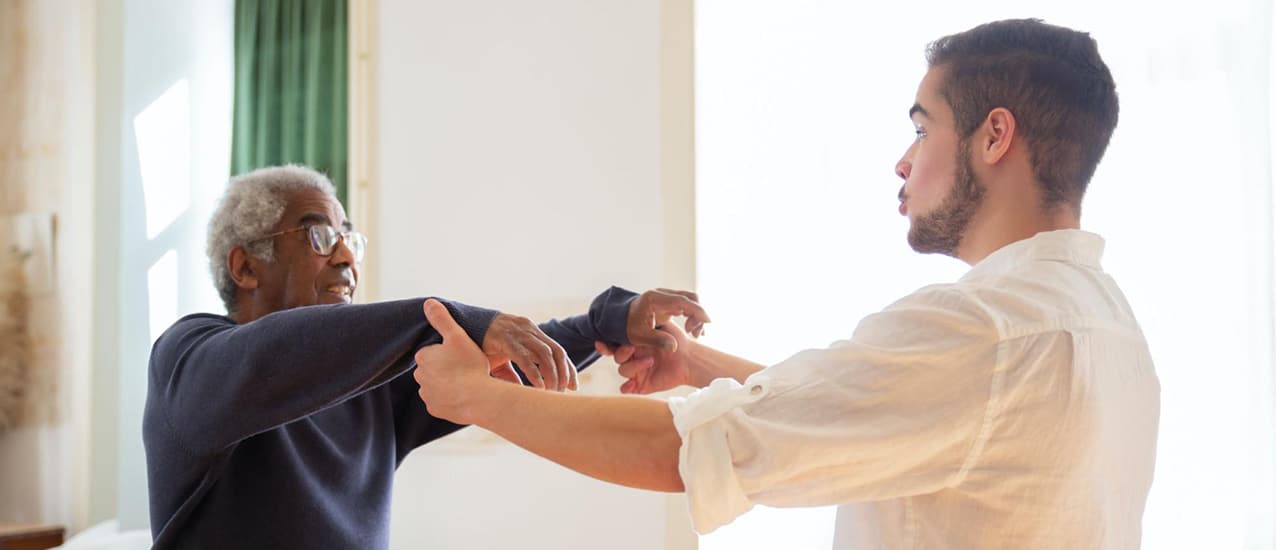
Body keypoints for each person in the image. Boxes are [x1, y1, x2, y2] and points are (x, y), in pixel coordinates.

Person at [412, 19, 1160, 549]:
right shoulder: (1106, 324)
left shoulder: (982, 331)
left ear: (994, 136)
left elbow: (690, 451)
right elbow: (870, 406)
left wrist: (475, 396)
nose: (904, 161)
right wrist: (697, 363)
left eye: (923, 127)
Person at [142, 165, 709, 549]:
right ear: (245, 267)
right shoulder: (189, 358)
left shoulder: (369, 385)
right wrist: (455, 318)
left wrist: (600, 324)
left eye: (350, 238)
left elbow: (492, 363)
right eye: (318, 237)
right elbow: (271, 357)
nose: (345, 255)